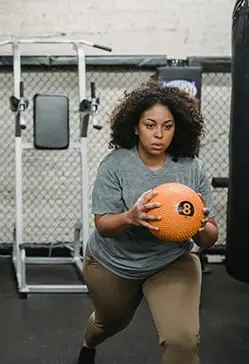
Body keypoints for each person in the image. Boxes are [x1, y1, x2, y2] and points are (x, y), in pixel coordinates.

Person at [77, 81, 219, 364]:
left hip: (171, 259)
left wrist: (201, 226)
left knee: (182, 340)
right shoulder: (115, 164)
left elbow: (210, 236)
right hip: (113, 262)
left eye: (167, 126)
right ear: (135, 126)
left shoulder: (191, 167)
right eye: (150, 125)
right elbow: (103, 224)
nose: (159, 135)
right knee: (110, 323)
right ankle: (88, 342)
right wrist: (131, 217)